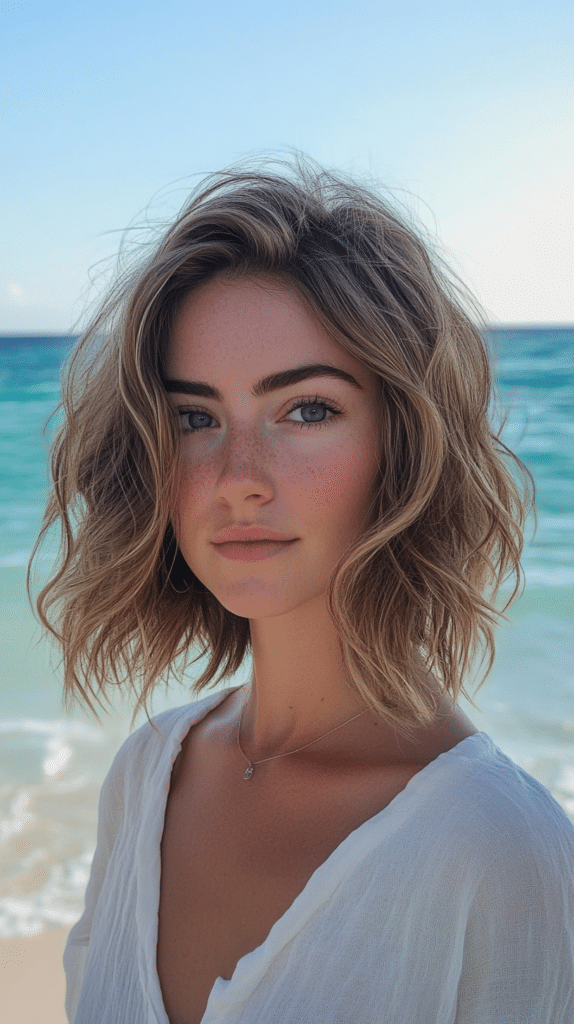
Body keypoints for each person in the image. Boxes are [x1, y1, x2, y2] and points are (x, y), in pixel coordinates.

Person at [31, 158, 574, 1023]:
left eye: (307, 409)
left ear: (403, 446)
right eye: (194, 418)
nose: (239, 478)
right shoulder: (145, 776)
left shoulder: (503, 852)